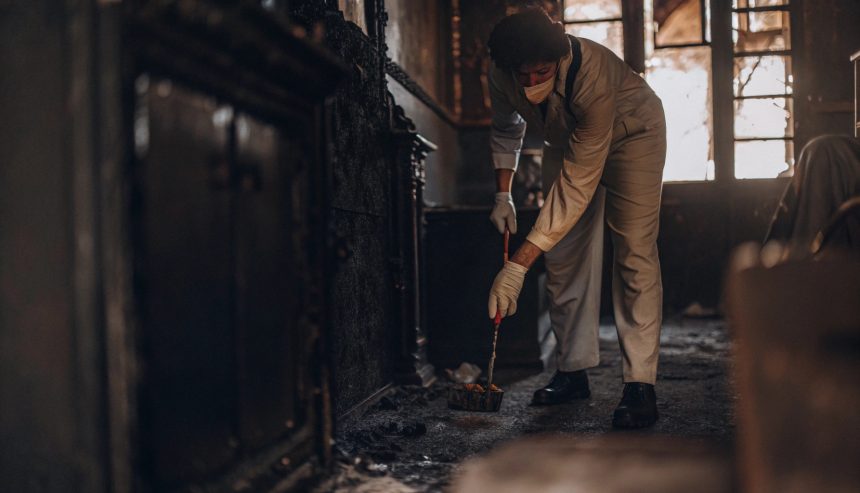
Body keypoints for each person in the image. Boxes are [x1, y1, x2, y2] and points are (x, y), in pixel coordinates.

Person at [485, 9, 667, 428]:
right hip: (564, 138)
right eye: (522, 74)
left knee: (634, 251)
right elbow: (505, 128)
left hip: (633, 134)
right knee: (563, 253)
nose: (531, 83)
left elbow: (577, 187)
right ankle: (571, 370)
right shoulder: (501, 73)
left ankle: (640, 384)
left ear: (560, 57)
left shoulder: (592, 72)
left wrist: (516, 267)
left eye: (541, 72)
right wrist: (502, 194)